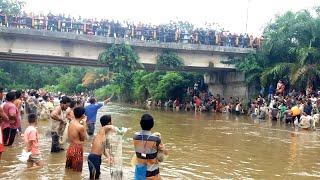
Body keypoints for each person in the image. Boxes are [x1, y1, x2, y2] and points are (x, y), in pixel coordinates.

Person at [133, 114, 168, 180]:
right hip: (152, 175)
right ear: (152, 125)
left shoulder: (135, 137)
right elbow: (165, 152)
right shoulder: (156, 139)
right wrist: (160, 139)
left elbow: (145, 140)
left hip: (139, 173)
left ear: (140, 124)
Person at [88, 115, 115, 179]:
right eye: (111, 121)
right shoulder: (102, 130)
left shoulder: (104, 135)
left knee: (96, 177)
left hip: (96, 158)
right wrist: (120, 130)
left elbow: (103, 150)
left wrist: (109, 157)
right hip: (94, 158)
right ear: (109, 123)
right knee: (94, 177)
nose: (112, 122)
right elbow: (110, 127)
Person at [65, 106, 86, 172]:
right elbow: (83, 138)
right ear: (82, 115)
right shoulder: (80, 127)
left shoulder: (71, 122)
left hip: (70, 147)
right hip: (77, 149)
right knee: (77, 171)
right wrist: (84, 123)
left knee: (68, 169)